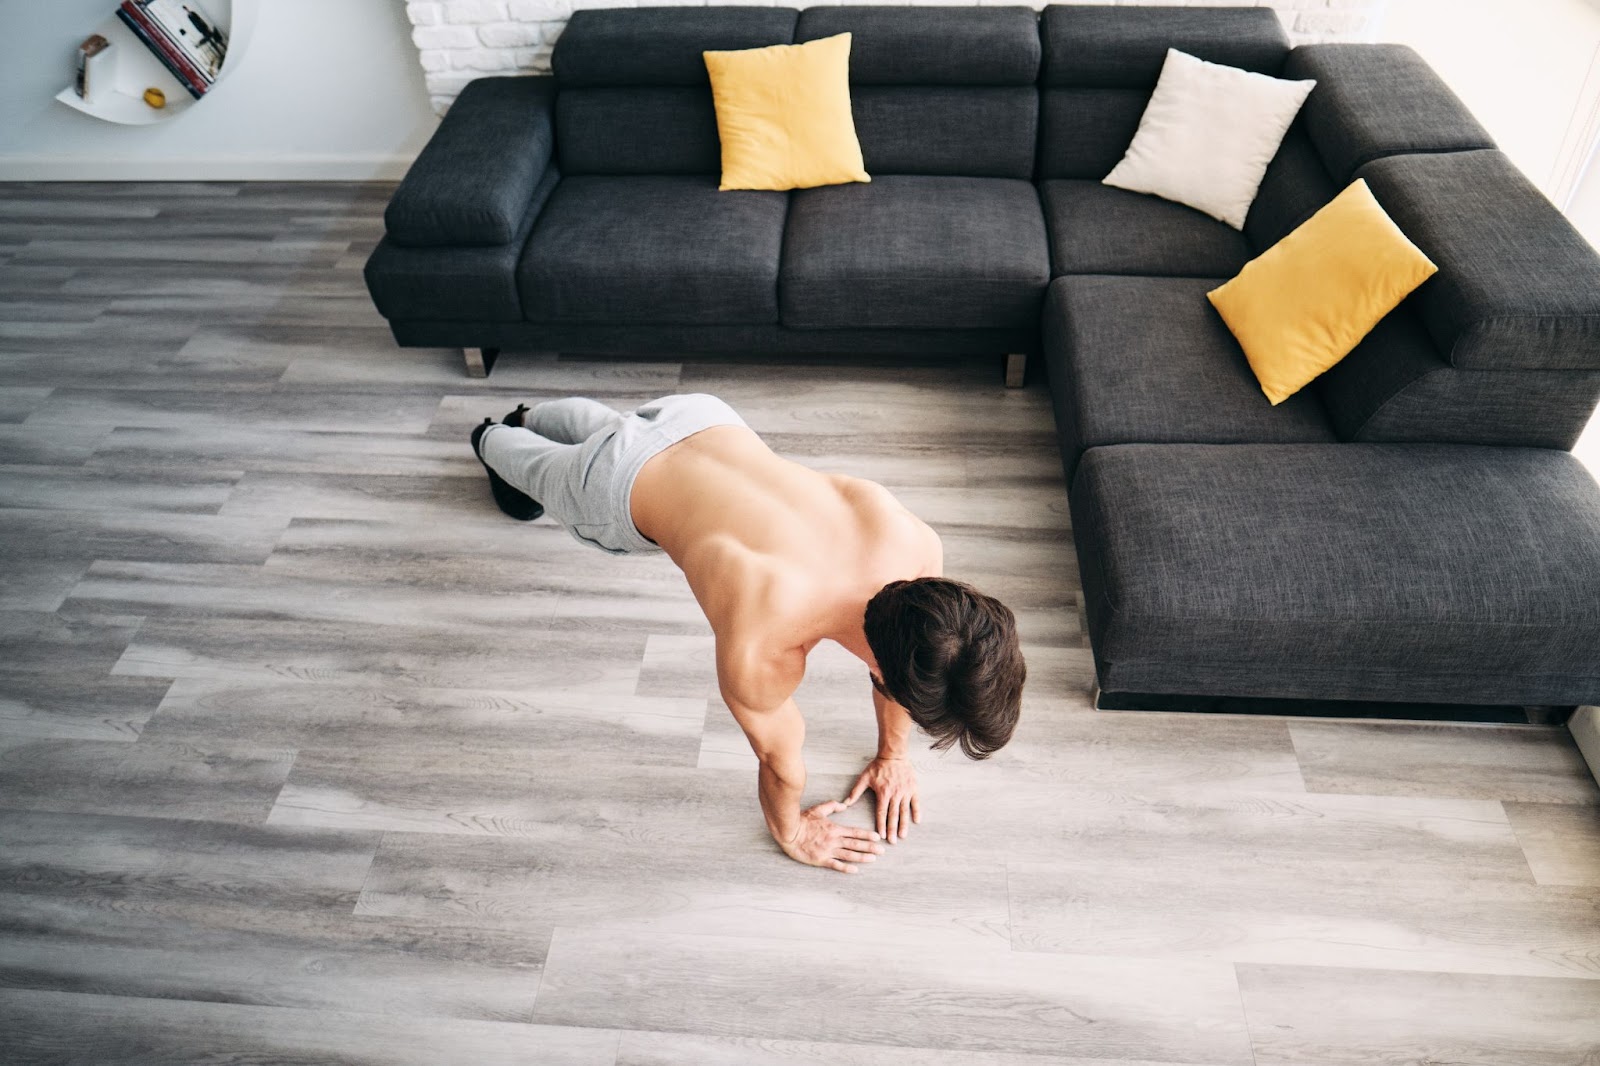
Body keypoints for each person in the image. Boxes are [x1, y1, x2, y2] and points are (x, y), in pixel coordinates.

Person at [471, 394, 1026, 873]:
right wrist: (792, 834)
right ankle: (492, 436)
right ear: (884, 674)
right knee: (543, 473)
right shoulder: (764, 642)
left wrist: (893, 754)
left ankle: (530, 414)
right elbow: (781, 765)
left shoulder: (915, 546)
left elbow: (920, 657)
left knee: (617, 426)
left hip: (703, 419)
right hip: (615, 485)